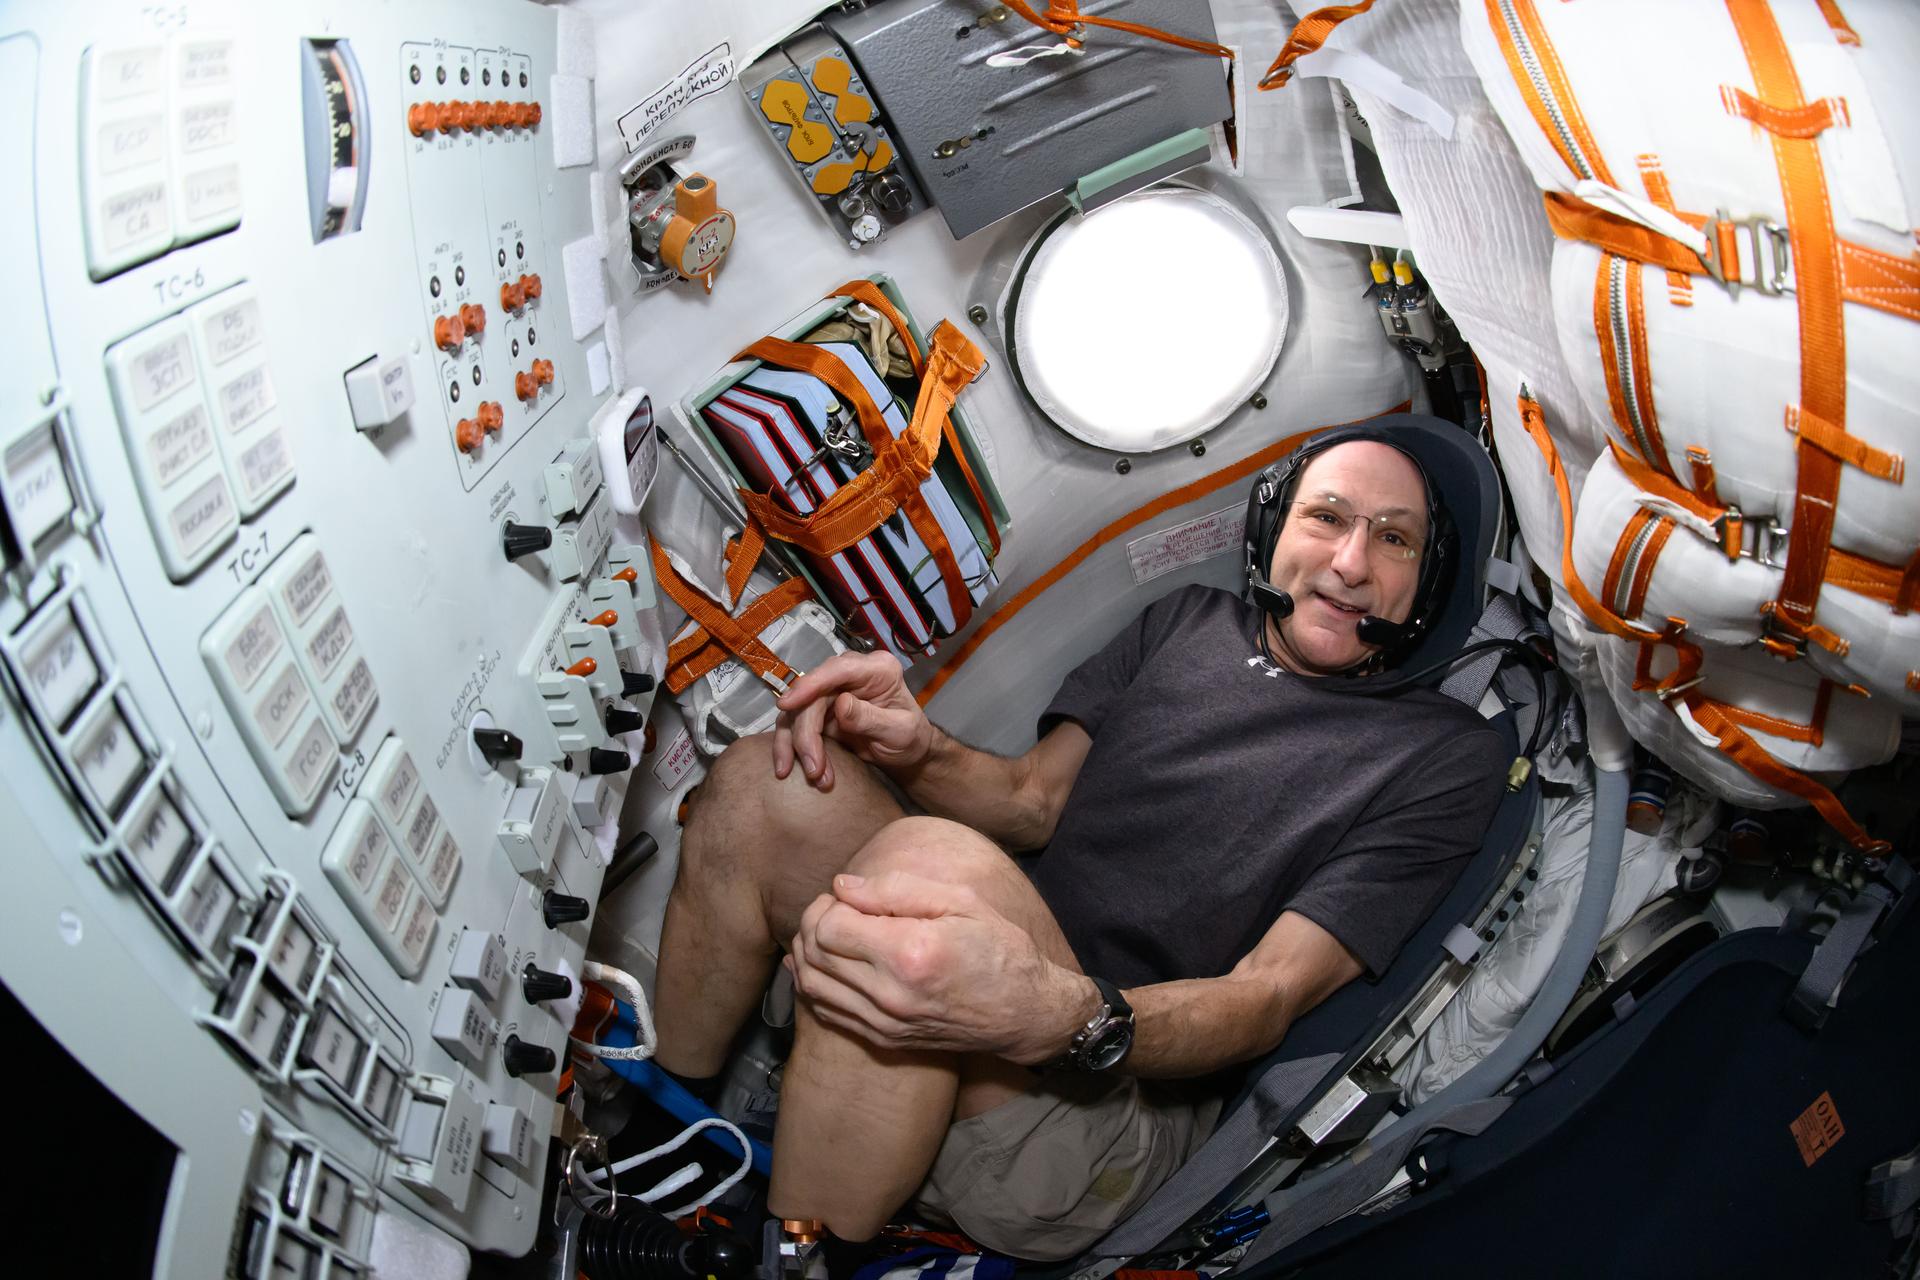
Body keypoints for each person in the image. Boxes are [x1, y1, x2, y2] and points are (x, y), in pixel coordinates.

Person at [651, 426, 1512, 1260]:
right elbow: (1030, 801)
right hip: (988, 963)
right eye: (1326, 517)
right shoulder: (1186, 621)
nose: (1351, 562)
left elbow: (1267, 995)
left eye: (1393, 539)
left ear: (1425, 584)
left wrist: (1065, 1015)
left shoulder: (1440, 754)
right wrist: (920, 747)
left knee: (925, 882)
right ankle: (658, 1136)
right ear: (1274, 526)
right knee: (768, 781)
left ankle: (794, 1254)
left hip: (1105, 1100)